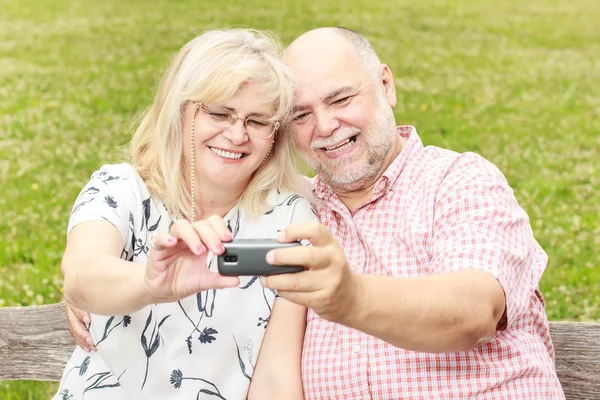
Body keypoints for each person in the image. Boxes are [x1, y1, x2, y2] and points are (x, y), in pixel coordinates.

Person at [67, 27, 566, 399]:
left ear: (386, 85)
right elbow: (91, 269)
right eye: (301, 115)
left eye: (342, 98)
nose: (326, 126)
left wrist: (350, 296)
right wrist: (125, 284)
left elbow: (472, 311)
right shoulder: (296, 213)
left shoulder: (457, 182)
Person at [54, 28, 313, 400]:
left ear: (275, 134)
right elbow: (82, 275)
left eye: (257, 122)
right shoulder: (120, 189)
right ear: (180, 112)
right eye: (220, 113)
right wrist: (148, 283)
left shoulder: (289, 219)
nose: (237, 134)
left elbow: (276, 376)